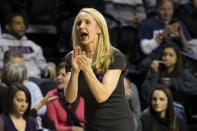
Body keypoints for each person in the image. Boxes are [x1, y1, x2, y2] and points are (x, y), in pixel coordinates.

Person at [64, 8, 135, 130]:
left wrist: (87, 70)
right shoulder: (72, 58)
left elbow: (102, 96)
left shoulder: (114, 56)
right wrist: (75, 72)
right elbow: (70, 98)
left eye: (87, 22)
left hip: (118, 125)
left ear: (99, 29)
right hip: (92, 126)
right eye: (78, 23)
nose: (81, 26)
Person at [141, 44, 197, 118]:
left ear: (177, 58)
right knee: (145, 115)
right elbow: (147, 95)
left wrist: (174, 83)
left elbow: (195, 87)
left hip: (176, 106)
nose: (166, 58)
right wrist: (153, 73)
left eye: (171, 55)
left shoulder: (183, 73)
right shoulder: (155, 71)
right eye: (164, 54)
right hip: (156, 105)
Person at [0, 63, 58, 130]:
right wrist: (41, 104)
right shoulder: (7, 94)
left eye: (26, 101)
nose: (27, 78)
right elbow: (20, 117)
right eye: (25, 77)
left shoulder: (29, 87)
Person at [0, 12, 56, 80]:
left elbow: (41, 63)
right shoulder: (2, 43)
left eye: (23, 23)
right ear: (8, 27)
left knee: (51, 84)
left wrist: (48, 66)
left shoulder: (32, 45)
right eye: (18, 23)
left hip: (36, 78)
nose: (22, 26)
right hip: (14, 79)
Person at [46, 61, 84, 131]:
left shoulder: (84, 95)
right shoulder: (51, 96)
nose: (58, 77)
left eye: (63, 75)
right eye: (58, 75)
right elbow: (54, 127)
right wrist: (72, 129)